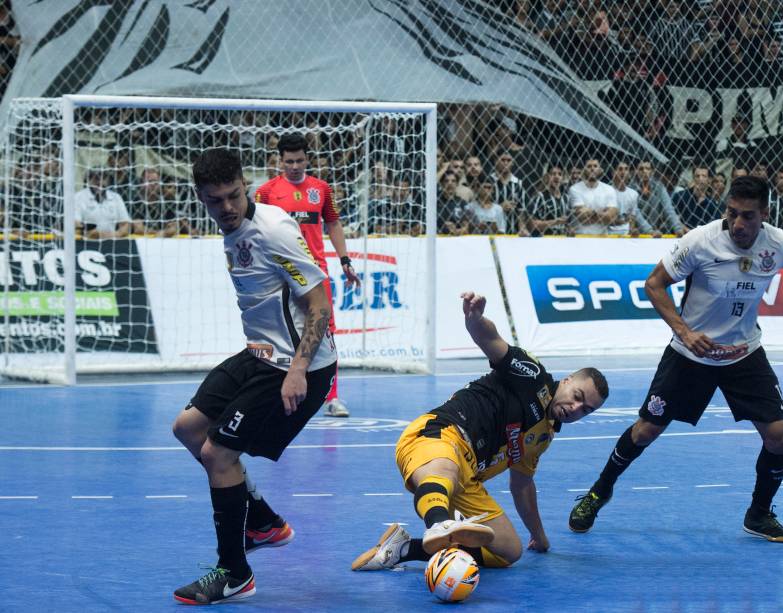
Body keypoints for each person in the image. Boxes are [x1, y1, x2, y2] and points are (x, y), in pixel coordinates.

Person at [568, 175, 783, 543]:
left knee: (780, 438)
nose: (738, 224)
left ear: (765, 214)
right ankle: (599, 492)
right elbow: (654, 284)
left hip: (744, 354)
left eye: (748, 216)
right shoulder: (700, 241)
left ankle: (758, 515)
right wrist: (684, 331)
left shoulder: (782, 245)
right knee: (646, 430)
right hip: (690, 355)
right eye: (732, 213)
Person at [172, 149, 338, 604]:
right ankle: (262, 521)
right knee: (187, 428)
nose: (225, 207)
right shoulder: (232, 229)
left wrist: (299, 370)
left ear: (246, 185)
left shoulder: (275, 229)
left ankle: (235, 573)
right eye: (214, 200)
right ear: (201, 197)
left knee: (219, 454)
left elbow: (320, 305)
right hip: (260, 354)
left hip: (296, 366)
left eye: (232, 196)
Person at [351, 292, 609, 571]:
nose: (576, 408)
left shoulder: (543, 436)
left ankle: (404, 548)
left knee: (508, 550)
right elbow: (492, 341)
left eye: (586, 409)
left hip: (469, 478)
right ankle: (439, 525)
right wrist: (475, 320)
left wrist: (539, 535)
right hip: (440, 435)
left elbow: (521, 486)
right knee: (445, 471)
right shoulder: (533, 376)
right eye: (577, 395)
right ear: (568, 380)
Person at [255, 133, 359, 418]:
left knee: (326, 331)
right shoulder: (266, 192)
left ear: (307, 159)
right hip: (281, 274)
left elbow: (334, 223)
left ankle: (332, 397)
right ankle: (277, 391)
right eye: (289, 161)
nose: (295, 166)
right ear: (280, 161)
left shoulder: (322, 189)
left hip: (316, 273)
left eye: (300, 160)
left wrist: (345, 259)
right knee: (279, 332)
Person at [74, 167, 131, 239]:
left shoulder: (116, 197)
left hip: (112, 243)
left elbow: (126, 225)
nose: (100, 182)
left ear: (108, 181)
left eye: (103, 178)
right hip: (86, 243)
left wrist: (112, 235)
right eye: (96, 178)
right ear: (88, 180)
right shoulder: (78, 197)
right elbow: (76, 224)